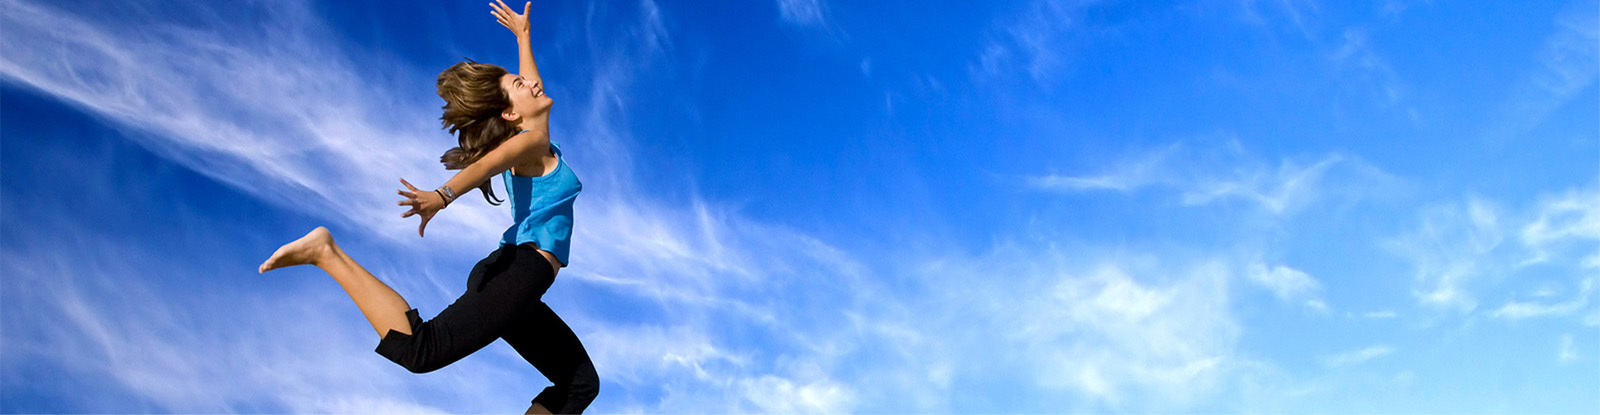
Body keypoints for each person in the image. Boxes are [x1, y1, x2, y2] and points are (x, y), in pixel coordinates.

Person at [257, 2, 598, 413]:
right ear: (510, 112)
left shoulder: (534, 134)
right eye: (519, 86)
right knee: (423, 351)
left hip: (520, 276)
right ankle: (325, 253)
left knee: (579, 383)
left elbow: (530, 85)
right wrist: (443, 195)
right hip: (519, 272)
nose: (531, 85)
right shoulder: (529, 144)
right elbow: (489, 163)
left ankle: (326, 253)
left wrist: (523, 37)